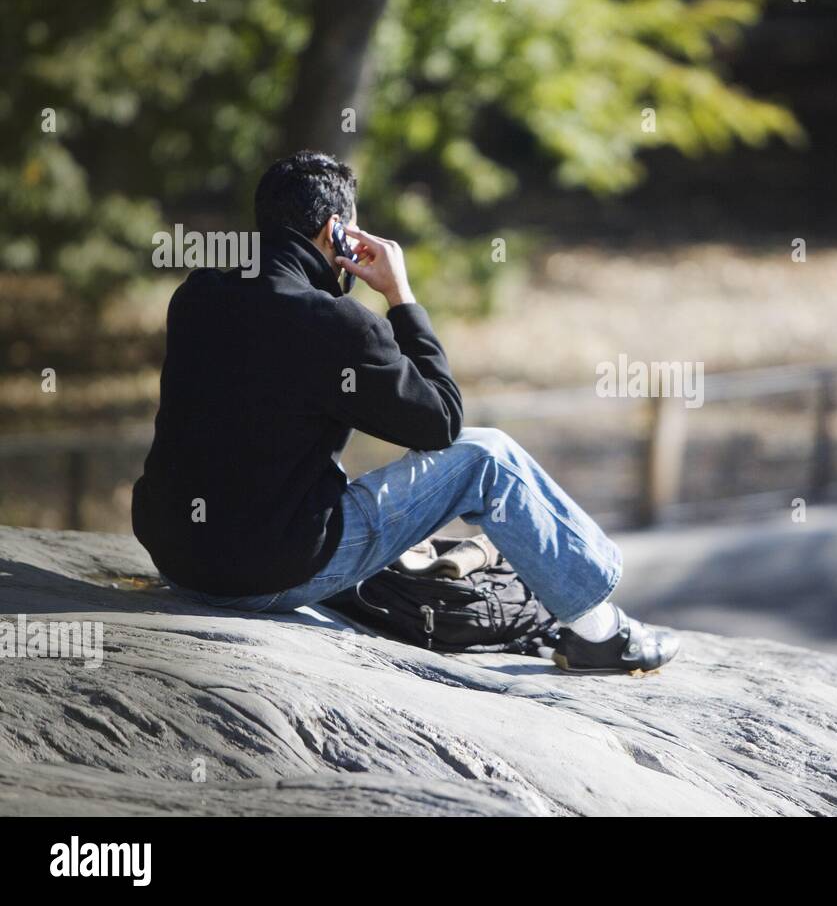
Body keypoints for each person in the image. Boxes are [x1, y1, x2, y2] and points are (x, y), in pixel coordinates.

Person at [131, 150, 679, 674]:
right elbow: (441, 422)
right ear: (336, 232)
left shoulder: (198, 293)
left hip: (177, 558)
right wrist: (400, 296)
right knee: (488, 458)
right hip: (265, 574)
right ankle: (602, 634)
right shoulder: (338, 323)